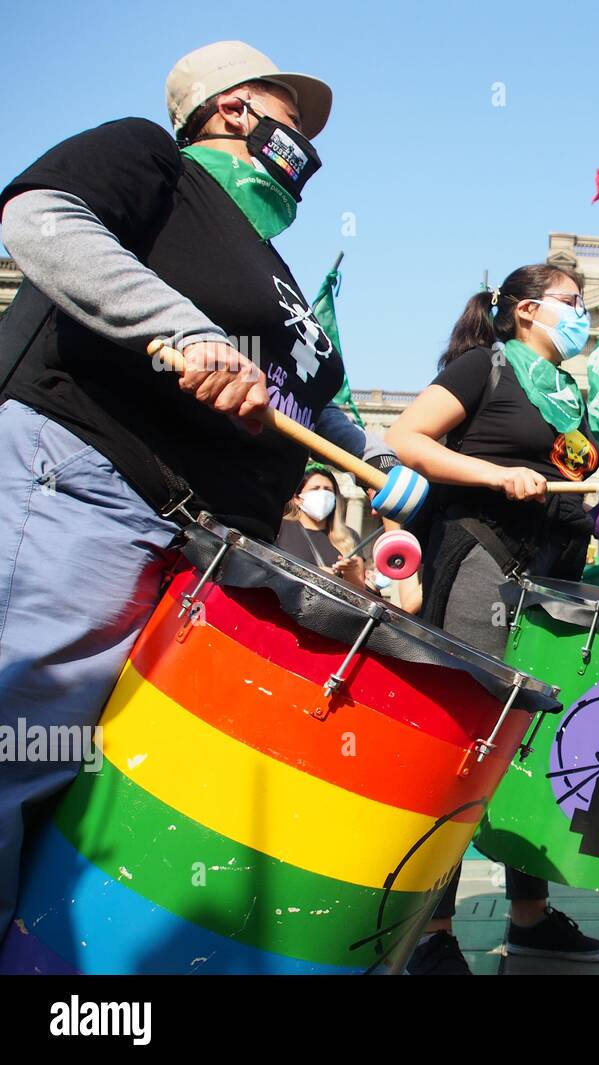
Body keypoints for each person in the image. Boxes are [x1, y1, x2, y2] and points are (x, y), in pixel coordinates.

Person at [0, 41, 405, 943]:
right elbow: (39, 219)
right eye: (291, 120)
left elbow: (305, 404)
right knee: (18, 753)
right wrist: (186, 331)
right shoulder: (153, 158)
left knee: (105, 787)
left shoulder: (273, 268)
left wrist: (378, 458)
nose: (304, 145)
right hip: (87, 487)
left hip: (202, 547)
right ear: (231, 109)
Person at [388, 262, 599, 973]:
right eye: (573, 303)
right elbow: (407, 438)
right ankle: (431, 929)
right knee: (467, 739)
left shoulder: (572, 394)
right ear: (529, 310)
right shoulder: (487, 368)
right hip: (481, 558)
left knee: (529, 745)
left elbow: (569, 487)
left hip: (551, 576)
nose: (583, 316)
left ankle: (530, 917)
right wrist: (495, 474)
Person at [275, 465, 366, 591]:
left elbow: (359, 593)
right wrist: (312, 575)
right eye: (315, 489)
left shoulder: (349, 536)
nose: (322, 494)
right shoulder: (280, 526)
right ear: (297, 498)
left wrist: (349, 572)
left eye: (328, 490)